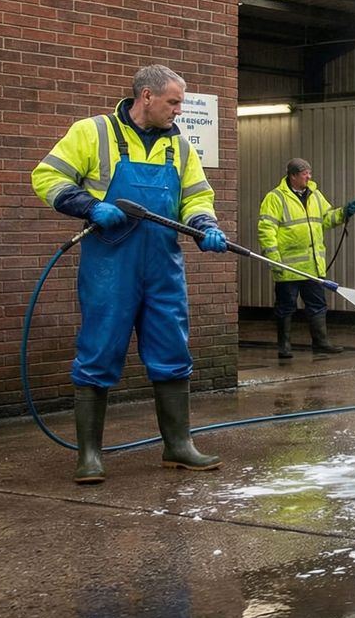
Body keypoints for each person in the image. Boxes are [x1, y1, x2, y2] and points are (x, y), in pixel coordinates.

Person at [32, 63, 227, 483]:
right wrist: (90, 207)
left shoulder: (181, 147)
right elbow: (47, 177)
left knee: (172, 350)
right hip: (110, 264)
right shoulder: (93, 132)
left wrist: (205, 225)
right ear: (147, 97)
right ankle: (89, 456)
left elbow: (197, 196)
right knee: (99, 350)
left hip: (163, 267)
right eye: (173, 102)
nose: (179, 110)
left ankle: (178, 446)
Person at [257, 158, 355, 358]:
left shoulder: (315, 195)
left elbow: (327, 219)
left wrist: (344, 213)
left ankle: (321, 342)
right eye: (305, 174)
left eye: (309, 173)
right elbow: (266, 230)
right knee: (286, 307)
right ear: (293, 176)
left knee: (317, 305)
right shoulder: (275, 198)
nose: (309, 177)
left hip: (313, 267)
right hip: (287, 267)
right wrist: (274, 259)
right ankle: (284, 346)